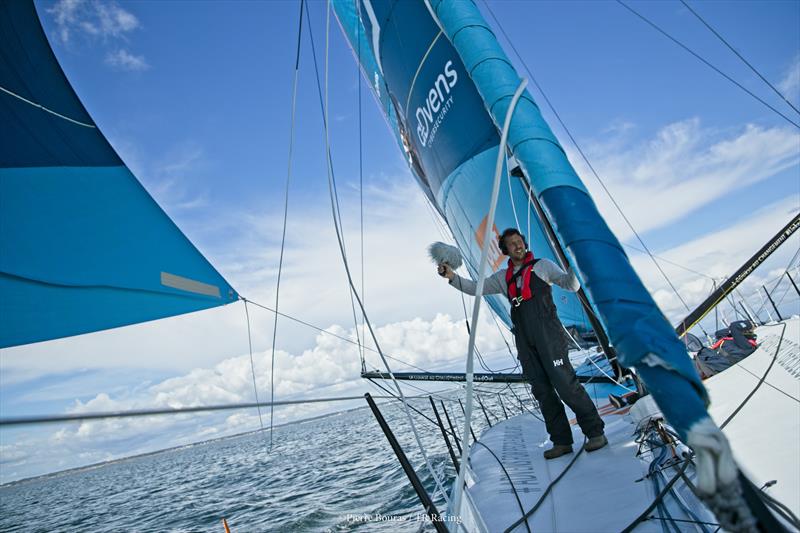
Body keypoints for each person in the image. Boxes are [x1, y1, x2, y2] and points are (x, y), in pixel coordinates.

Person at [437, 228, 607, 459]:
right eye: (512, 244)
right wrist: (452, 277)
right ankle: (562, 441)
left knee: (566, 385)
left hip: (549, 336)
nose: (518, 246)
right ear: (505, 250)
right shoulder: (501, 278)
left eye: (520, 242)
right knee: (542, 391)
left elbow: (570, 285)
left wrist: (574, 265)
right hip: (525, 340)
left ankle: (595, 433)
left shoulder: (542, 266)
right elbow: (476, 288)